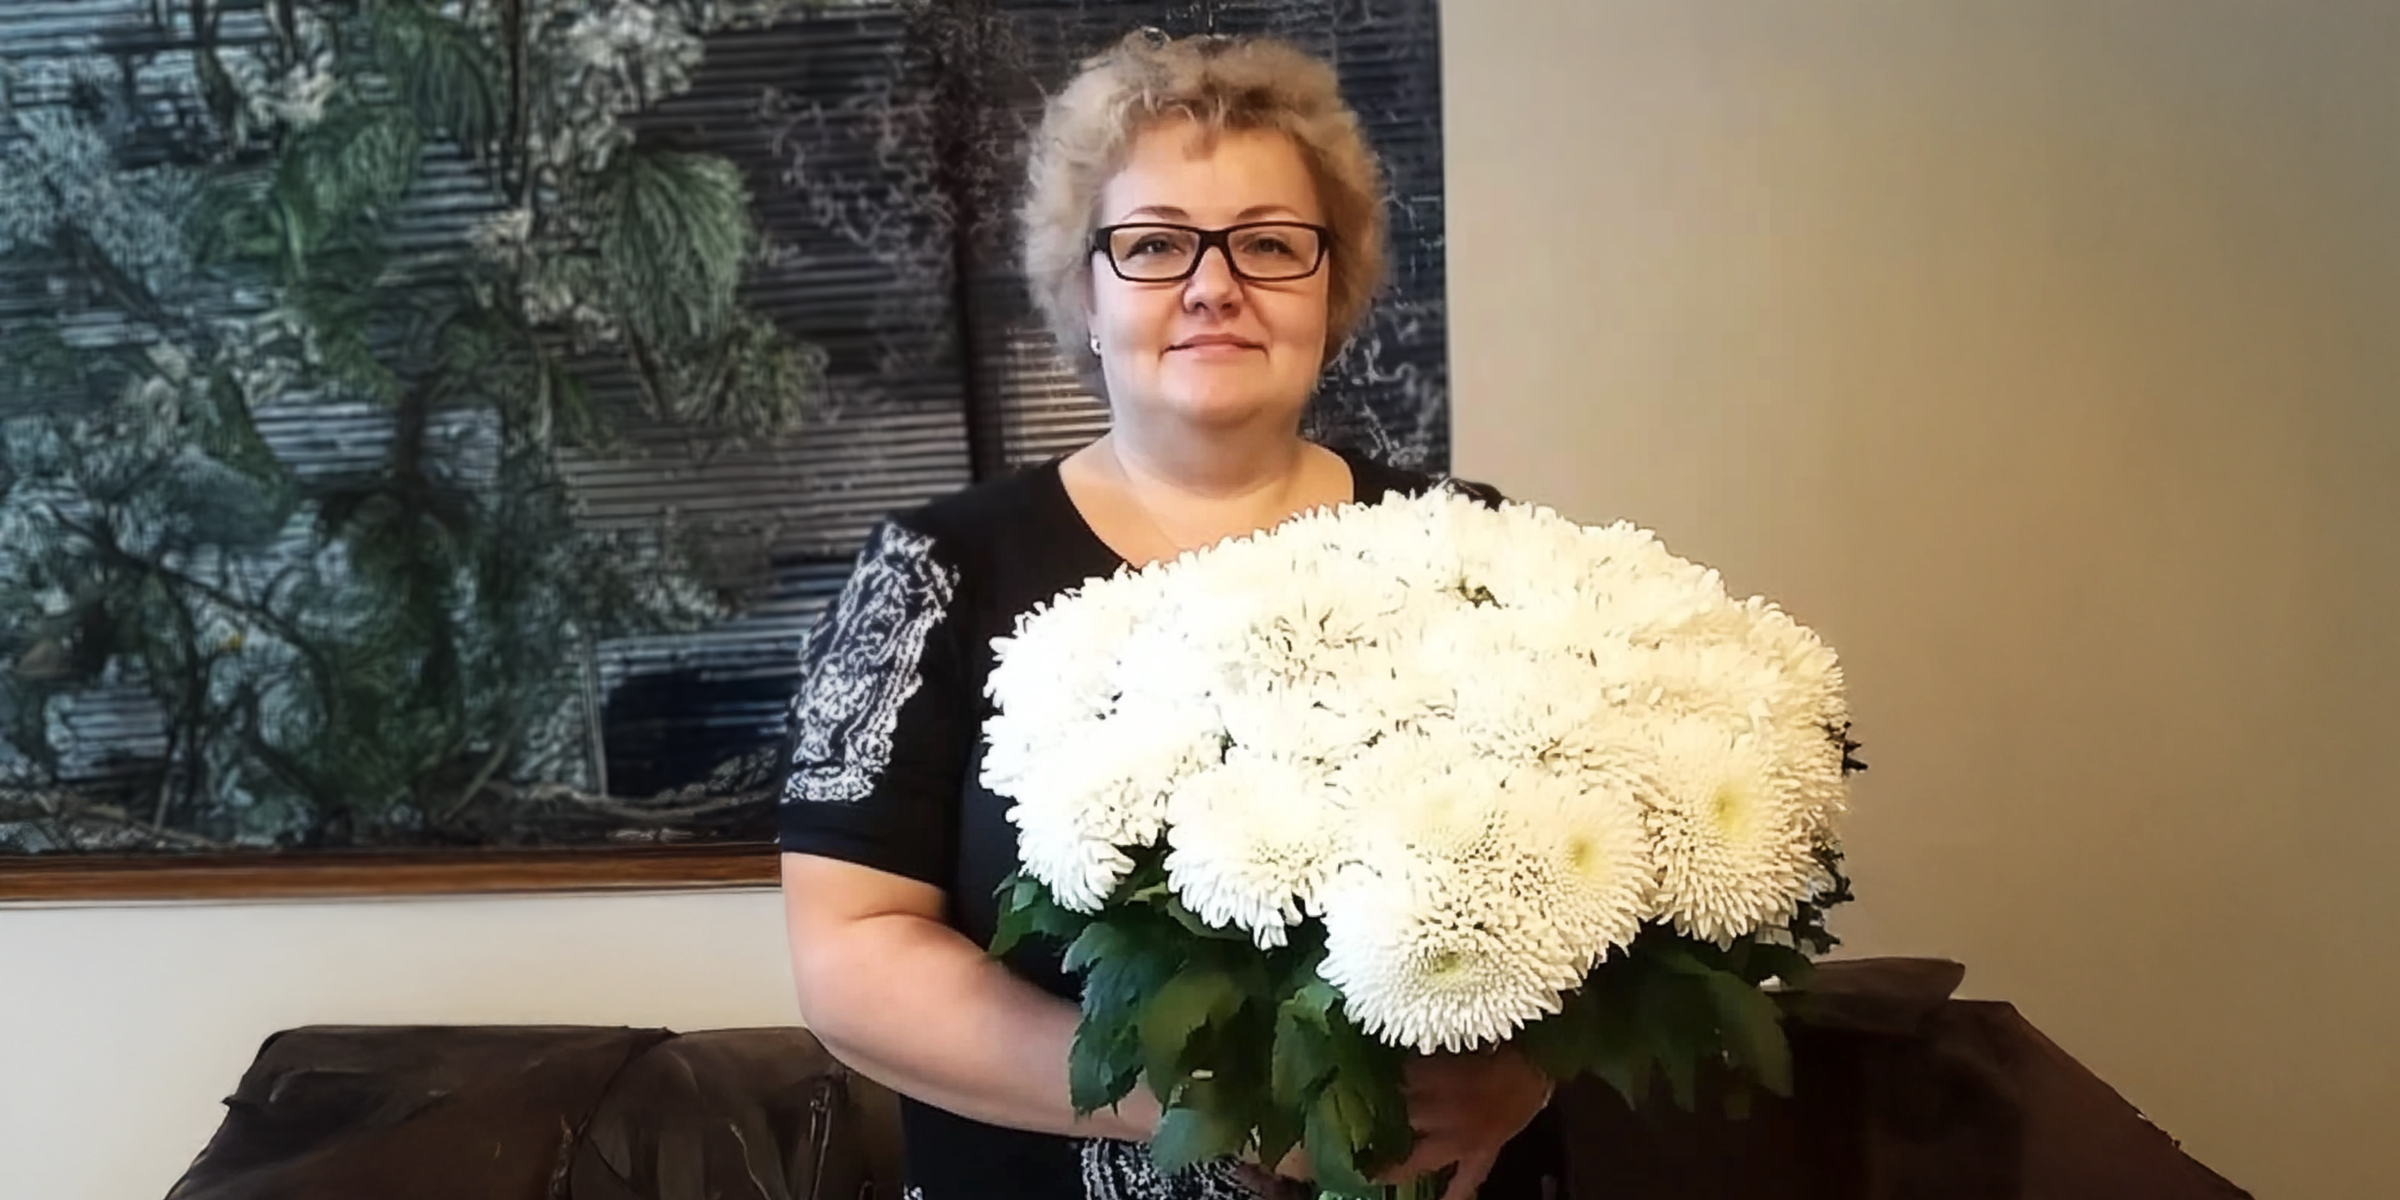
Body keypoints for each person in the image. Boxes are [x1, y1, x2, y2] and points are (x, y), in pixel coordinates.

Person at [778, 30, 1557, 1200]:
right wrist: (1207, 1106)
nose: (1212, 284)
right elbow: (849, 954)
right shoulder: (935, 573)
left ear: (1331, 287)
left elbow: (1605, 878)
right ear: (1084, 291)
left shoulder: (1473, 547)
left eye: (1268, 244)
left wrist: (1533, 1070)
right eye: (1152, 245)